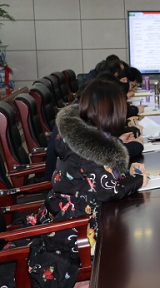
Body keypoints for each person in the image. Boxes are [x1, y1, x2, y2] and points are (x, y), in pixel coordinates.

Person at [24, 79, 149, 286]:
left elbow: (100, 177)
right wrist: (138, 180)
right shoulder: (88, 148)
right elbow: (108, 189)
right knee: (134, 253)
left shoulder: (81, 137)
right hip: (73, 234)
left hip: (70, 217)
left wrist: (127, 172)